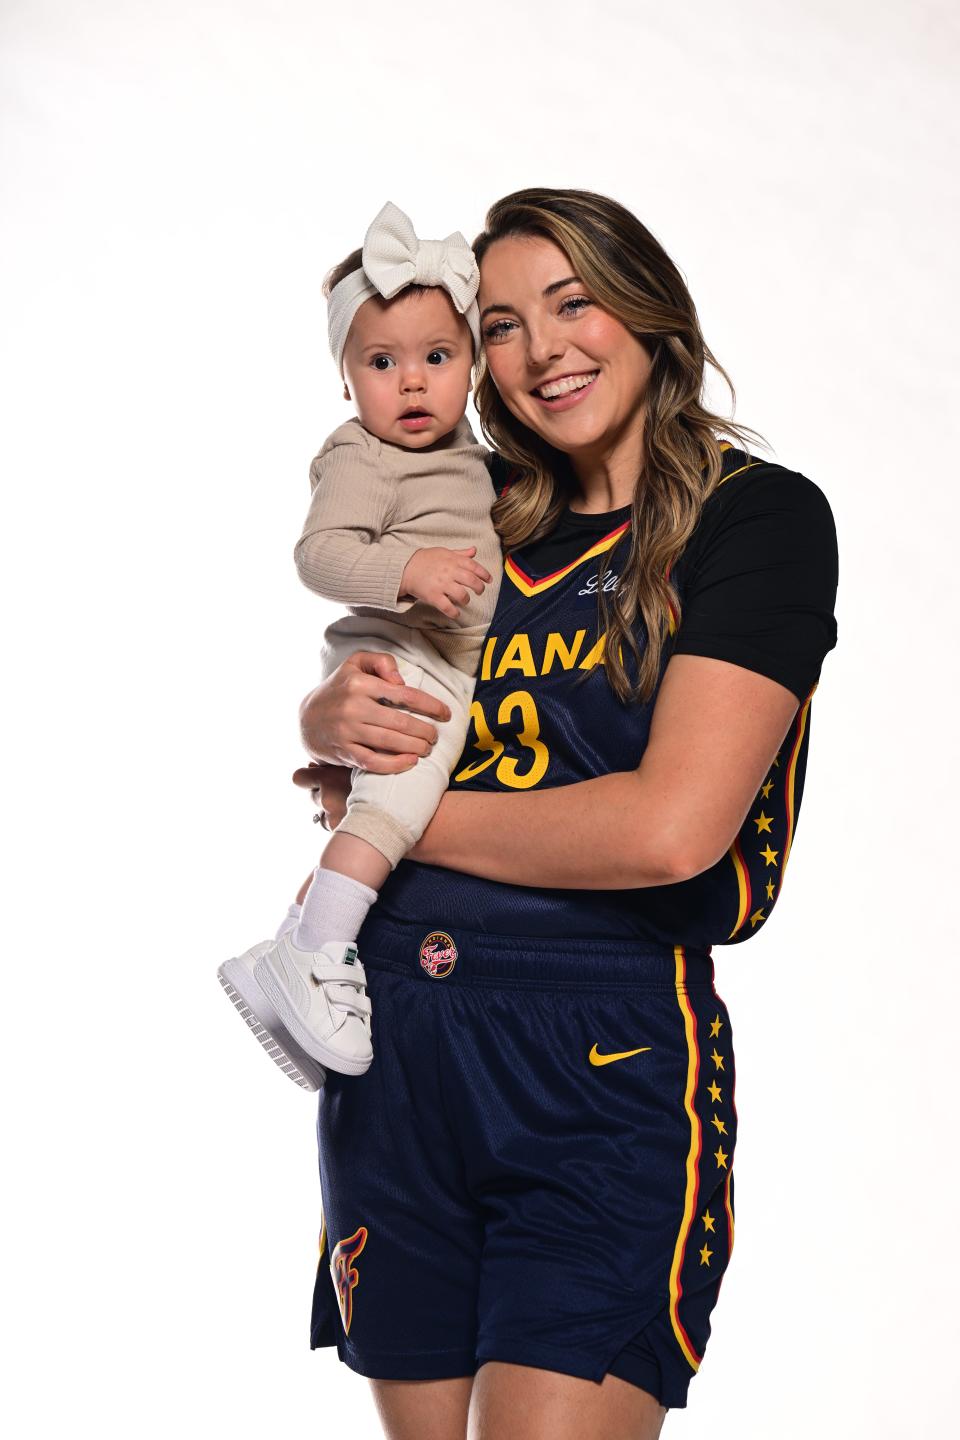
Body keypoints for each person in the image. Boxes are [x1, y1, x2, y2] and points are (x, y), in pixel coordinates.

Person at [293, 189, 839, 1440]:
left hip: (598, 1053)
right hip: (400, 1043)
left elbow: (669, 831)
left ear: (649, 312)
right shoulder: (466, 513)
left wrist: (396, 820)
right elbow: (370, 705)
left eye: (574, 303)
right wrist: (328, 722)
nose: (544, 351)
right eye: (499, 325)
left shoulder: (756, 521)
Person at [217, 202, 502, 1084]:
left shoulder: (472, 456)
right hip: (399, 648)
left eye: (436, 358)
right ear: (345, 382)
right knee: (400, 796)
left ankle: (293, 944)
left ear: (474, 368)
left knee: (400, 795)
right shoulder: (360, 457)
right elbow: (321, 553)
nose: (411, 383)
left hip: (446, 656)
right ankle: (319, 952)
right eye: (381, 363)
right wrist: (410, 570)